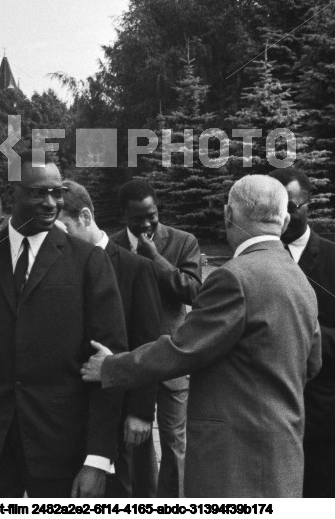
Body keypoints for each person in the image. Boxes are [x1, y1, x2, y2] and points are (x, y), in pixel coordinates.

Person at [83, 175, 322, 497]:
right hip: (284, 448)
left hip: (234, 457)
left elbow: (184, 349)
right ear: (284, 218)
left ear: (228, 214)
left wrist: (111, 367)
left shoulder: (235, 277)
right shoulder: (299, 278)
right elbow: (312, 363)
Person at [0, 150, 127, 499]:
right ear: (13, 193)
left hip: (62, 452)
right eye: (39, 192)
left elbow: (109, 364)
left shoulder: (88, 261)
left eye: (58, 192)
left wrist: (98, 459)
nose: (51, 202)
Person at [269, 167, 335, 498]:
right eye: (277, 208)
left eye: (292, 207)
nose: (283, 217)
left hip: (322, 424)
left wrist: (307, 333)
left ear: (309, 205)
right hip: (267, 420)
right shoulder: (256, 262)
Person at [58, 179, 162, 498]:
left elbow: (149, 342)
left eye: (61, 231)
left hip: (123, 412)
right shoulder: (59, 268)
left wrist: (142, 412)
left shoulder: (135, 268)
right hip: (75, 414)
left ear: (86, 217)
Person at [110, 179, 201, 498]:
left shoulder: (183, 241)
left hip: (175, 358)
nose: (147, 223)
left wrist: (154, 257)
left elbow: (193, 290)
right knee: (138, 442)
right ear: (124, 216)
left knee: (176, 443)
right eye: (138, 218)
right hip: (135, 359)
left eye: (153, 214)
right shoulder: (112, 245)